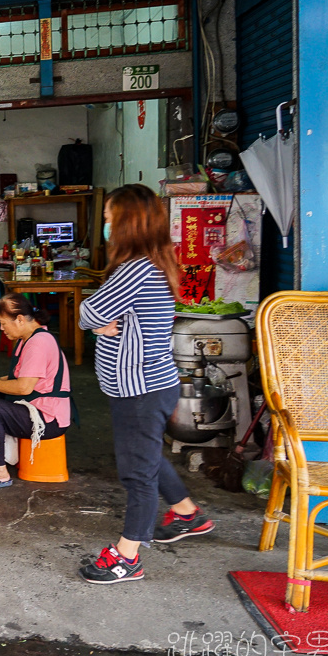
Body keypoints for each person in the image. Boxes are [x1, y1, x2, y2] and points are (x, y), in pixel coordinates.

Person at [77, 183, 213, 585]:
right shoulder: (153, 261)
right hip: (149, 383)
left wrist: (98, 323)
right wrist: (102, 322)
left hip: (140, 387)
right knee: (148, 456)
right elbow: (99, 314)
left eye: (108, 218)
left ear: (127, 222)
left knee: (137, 473)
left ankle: (127, 555)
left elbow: (89, 311)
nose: (104, 224)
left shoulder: (135, 268)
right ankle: (189, 514)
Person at [0, 293, 72, 489]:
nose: (1, 328)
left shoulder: (39, 343)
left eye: (3, 323)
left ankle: (0, 472)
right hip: (34, 406)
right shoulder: (27, 339)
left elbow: (23, 386)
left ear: (20, 319)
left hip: (48, 419)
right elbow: (17, 379)